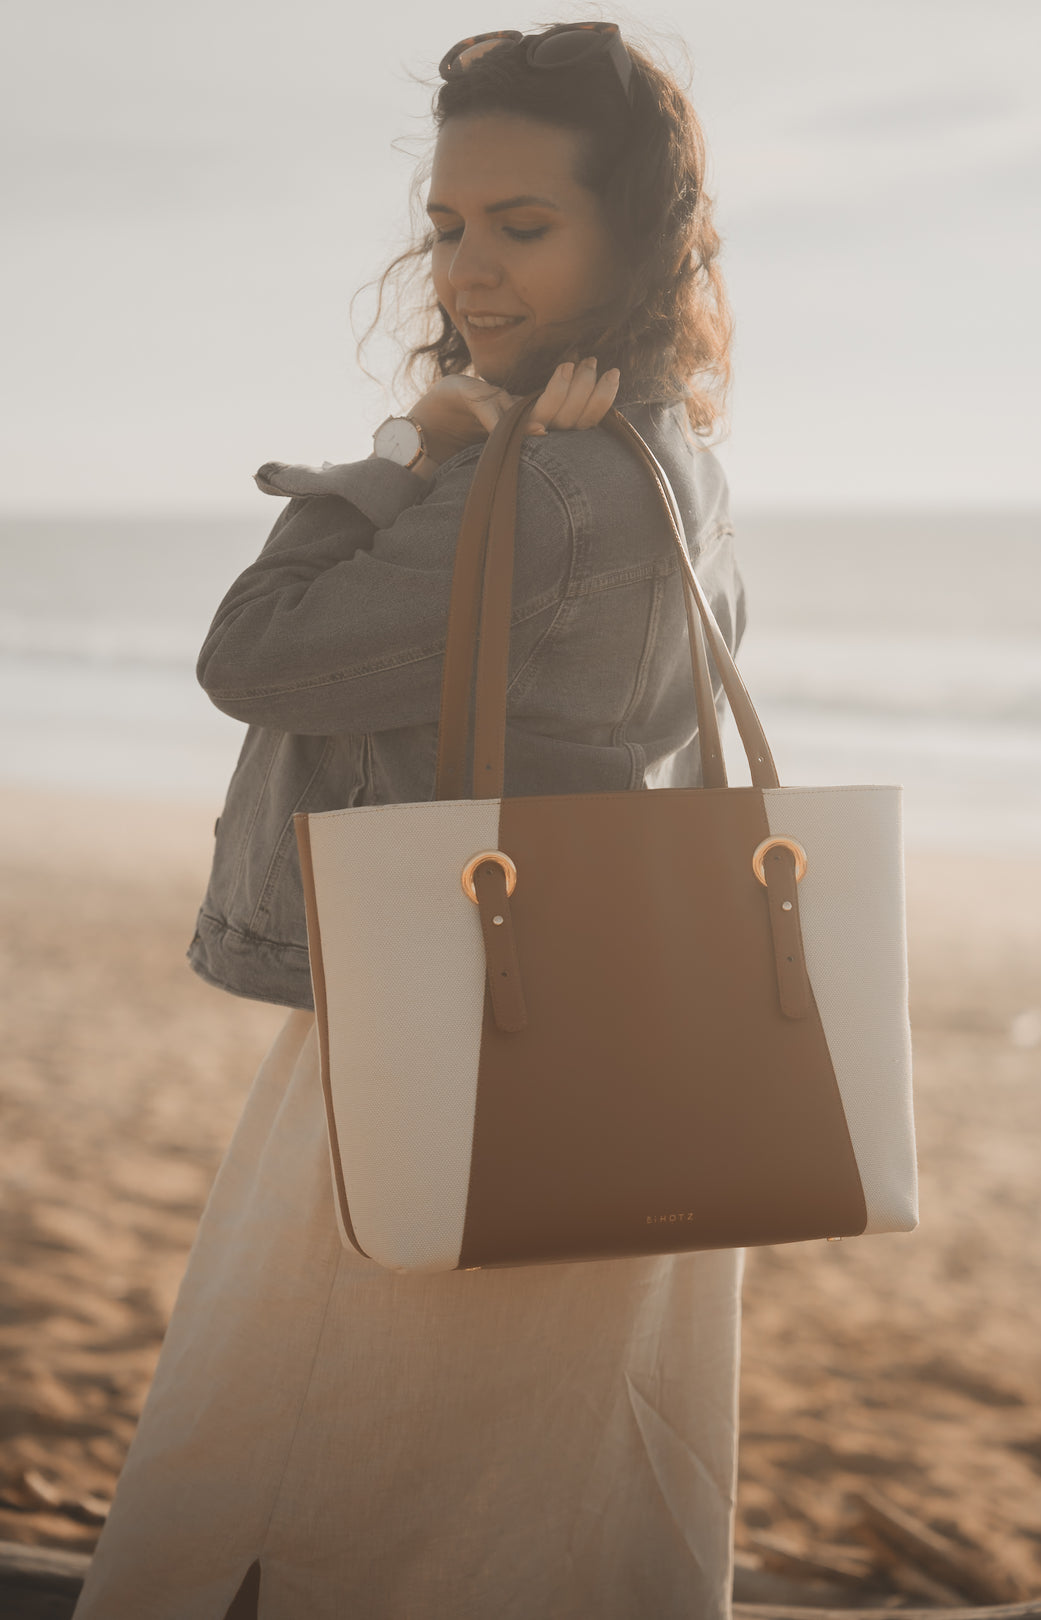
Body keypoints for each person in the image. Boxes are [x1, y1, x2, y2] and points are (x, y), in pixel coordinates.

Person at [74, 22, 748, 1620]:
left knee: (299, 1455)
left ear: (635, 235)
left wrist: (402, 452)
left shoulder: (546, 478)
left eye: (525, 227)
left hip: (451, 1016)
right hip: (621, 1035)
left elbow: (251, 655)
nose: (469, 272)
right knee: (551, 1487)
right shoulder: (678, 454)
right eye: (450, 226)